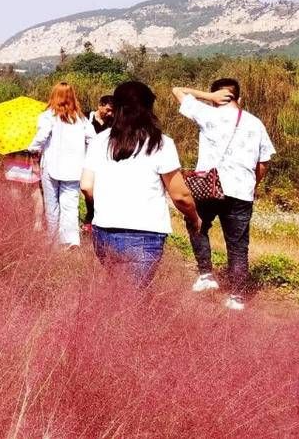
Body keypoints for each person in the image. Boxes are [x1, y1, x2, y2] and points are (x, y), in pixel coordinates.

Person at [81, 82, 202, 287]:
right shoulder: (160, 143)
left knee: (116, 291)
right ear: (148, 108)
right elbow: (180, 195)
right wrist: (194, 218)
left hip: (104, 231)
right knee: (132, 300)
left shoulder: (100, 141)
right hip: (144, 233)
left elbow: (86, 186)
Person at [172, 79, 276, 310]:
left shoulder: (208, 114)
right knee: (238, 245)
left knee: (197, 225)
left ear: (216, 95)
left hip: (208, 187)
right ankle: (237, 297)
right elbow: (264, 161)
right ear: (240, 97)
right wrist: (252, 184)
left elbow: (177, 91)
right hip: (241, 192)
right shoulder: (255, 123)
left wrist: (208, 98)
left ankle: (206, 275)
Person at [28, 82, 95, 248]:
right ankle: (71, 240)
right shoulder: (80, 118)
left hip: (51, 167)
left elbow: (42, 136)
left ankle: (53, 240)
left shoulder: (48, 116)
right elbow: (93, 139)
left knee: (52, 204)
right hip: (74, 169)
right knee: (70, 205)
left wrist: (32, 148)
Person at [82, 94, 115, 230]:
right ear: (99, 106)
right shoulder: (85, 118)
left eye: (112, 111)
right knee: (88, 190)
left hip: (106, 161)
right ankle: (90, 218)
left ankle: (100, 219)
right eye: (107, 109)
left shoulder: (114, 122)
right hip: (87, 160)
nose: (110, 113)